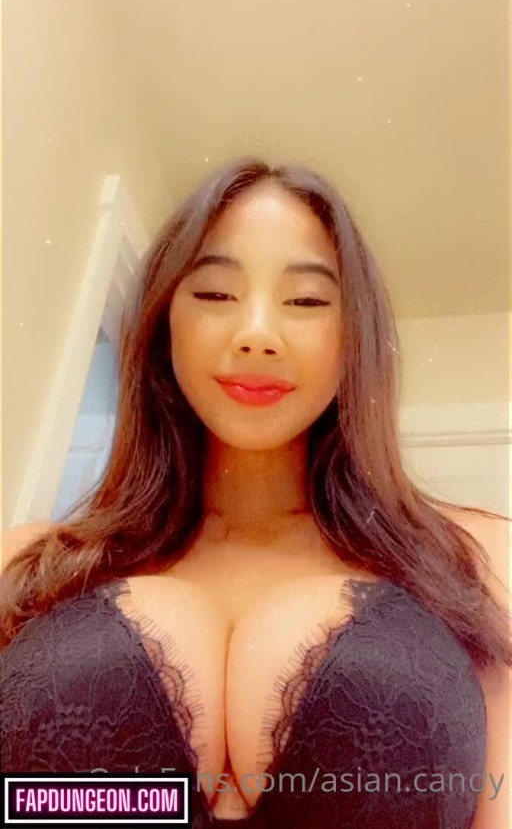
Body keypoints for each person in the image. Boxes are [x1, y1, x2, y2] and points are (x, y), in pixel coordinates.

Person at [1, 157, 510, 828]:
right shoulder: (28, 568)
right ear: (163, 320)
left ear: (354, 338)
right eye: (215, 294)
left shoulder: (475, 560)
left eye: (306, 301)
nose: (257, 335)